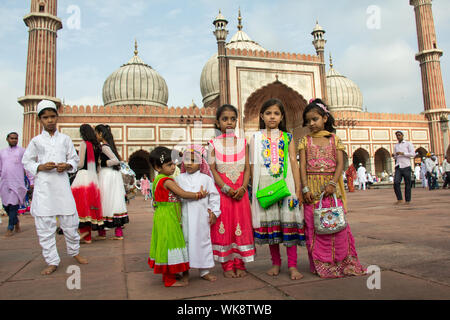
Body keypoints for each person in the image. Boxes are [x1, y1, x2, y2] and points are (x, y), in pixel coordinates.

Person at [299, 98, 365, 278]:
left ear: (325, 118)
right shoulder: (304, 141)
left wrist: (332, 184)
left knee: (337, 227)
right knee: (314, 229)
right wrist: (305, 189)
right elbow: (302, 167)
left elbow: (339, 165)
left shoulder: (335, 140)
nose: (312, 123)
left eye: (315, 119)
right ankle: (321, 264)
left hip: (331, 191)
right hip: (312, 192)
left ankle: (341, 261)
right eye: (308, 121)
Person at [22, 100, 88, 275]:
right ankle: (52, 260)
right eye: (45, 117)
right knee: (45, 226)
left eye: (52, 116)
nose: (49, 120)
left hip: (61, 185)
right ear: (39, 120)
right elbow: (26, 161)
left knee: (70, 223)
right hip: (44, 187)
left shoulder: (65, 139)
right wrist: (40, 167)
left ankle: (74, 252)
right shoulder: (36, 141)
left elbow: (74, 160)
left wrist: (66, 166)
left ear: (57, 117)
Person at [250, 98, 305, 280]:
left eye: (276, 113)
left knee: (288, 224)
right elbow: (252, 166)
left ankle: (292, 265)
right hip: (266, 187)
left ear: (282, 117)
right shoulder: (256, 138)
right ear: (261, 116)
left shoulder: (287, 137)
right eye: (268, 113)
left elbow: (293, 163)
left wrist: (298, 189)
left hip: (286, 186)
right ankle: (275, 263)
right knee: (271, 226)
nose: (272, 117)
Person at [148, 146, 208, 287]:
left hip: (163, 216)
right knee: (171, 244)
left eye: (174, 163)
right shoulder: (166, 181)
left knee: (165, 244)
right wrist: (198, 195)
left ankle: (169, 274)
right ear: (157, 167)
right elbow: (182, 193)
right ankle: (170, 280)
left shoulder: (158, 179)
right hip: (168, 217)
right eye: (169, 165)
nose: (173, 167)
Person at [208, 104, 256, 278]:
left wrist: (243, 187)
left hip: (241, 193)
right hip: (223, 192)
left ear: (236, 121)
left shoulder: (244, 143)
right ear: (218, 122)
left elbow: (248, 169)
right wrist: (226, 188)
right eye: (225, 119)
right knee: (224, 226)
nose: (229, 122)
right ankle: (227, 265)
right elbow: (213, 169)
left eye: (232, 119)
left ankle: (240, 263)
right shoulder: (213, 144)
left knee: (241, 226)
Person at [175, 145, 221, 282]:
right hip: (184, 217)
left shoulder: (206, 179)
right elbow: (176, 197)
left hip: (201, 218)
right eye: (187, 160)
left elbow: (214, 197)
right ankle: (184, 271)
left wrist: (214, 212)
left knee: (203, 243)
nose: (189, 163)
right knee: (185, 243)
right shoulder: (179, 178)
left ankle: (204, 271)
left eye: (193, 160)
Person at [94, 124, 129, 240]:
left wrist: (102, 164)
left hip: (107, 175)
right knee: (113, 201)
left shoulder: (104, 147)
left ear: (100, 134)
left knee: (105, 200)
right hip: (111, 175)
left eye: (96, 133)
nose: (95, 135)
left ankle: (102, 233)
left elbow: (115, 160)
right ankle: (118, 233)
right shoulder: (107, 145)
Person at [71, 124, 103, 244]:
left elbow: (80, 163)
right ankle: (87, 236)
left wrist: (70, 166)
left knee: (80, 204)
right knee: (89, 205)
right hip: (93, 177)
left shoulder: (84, 144)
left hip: (83, 176)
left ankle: (84, 233)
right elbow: (98, 165)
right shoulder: (97, 146)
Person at [0, 132, 34, 237]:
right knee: (6, 206)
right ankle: (16, 221)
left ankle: (10, 228)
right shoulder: (2, 152)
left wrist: (31, 181)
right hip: (4, 182)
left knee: (13, 205)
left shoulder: (22, 151)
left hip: (17, 182)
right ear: (7, 139)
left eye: (16, 138)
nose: (14, 140)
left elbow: (27, 167)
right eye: (12, 138)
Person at [392, 131, 415, 204]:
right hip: (398, 166)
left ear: (402, 135)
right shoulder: (396, 146)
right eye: (397, 135)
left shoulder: (408, 144)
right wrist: (394, 155)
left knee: (408, 184)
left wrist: (403, 153)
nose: (398, 137)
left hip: (406, 166)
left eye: (399, 135)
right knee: (396, 182)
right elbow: (396, 157)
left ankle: (407, 200)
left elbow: (413, 154)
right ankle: (399, 199)